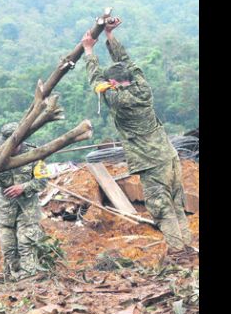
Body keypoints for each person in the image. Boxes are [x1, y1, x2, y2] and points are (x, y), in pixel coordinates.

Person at [81, 17, 193, 262]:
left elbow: (95, 81)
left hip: (151, 162)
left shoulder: (118, 99)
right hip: (170, 156)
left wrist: (89, 51)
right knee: (176, 204)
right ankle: (186, 247)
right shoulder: (143, 86)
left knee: (162, 207)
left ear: (113, 83)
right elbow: (127, 62)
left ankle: (178, 253)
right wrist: (109, 36)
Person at [0, 122, 48, 282]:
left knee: (26, 243)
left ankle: (30, 278)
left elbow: (43, 181)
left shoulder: (34, 153)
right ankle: (12, 279)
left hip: (28, 209)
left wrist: (23, 187)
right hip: (5, 209)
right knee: (8, 247)